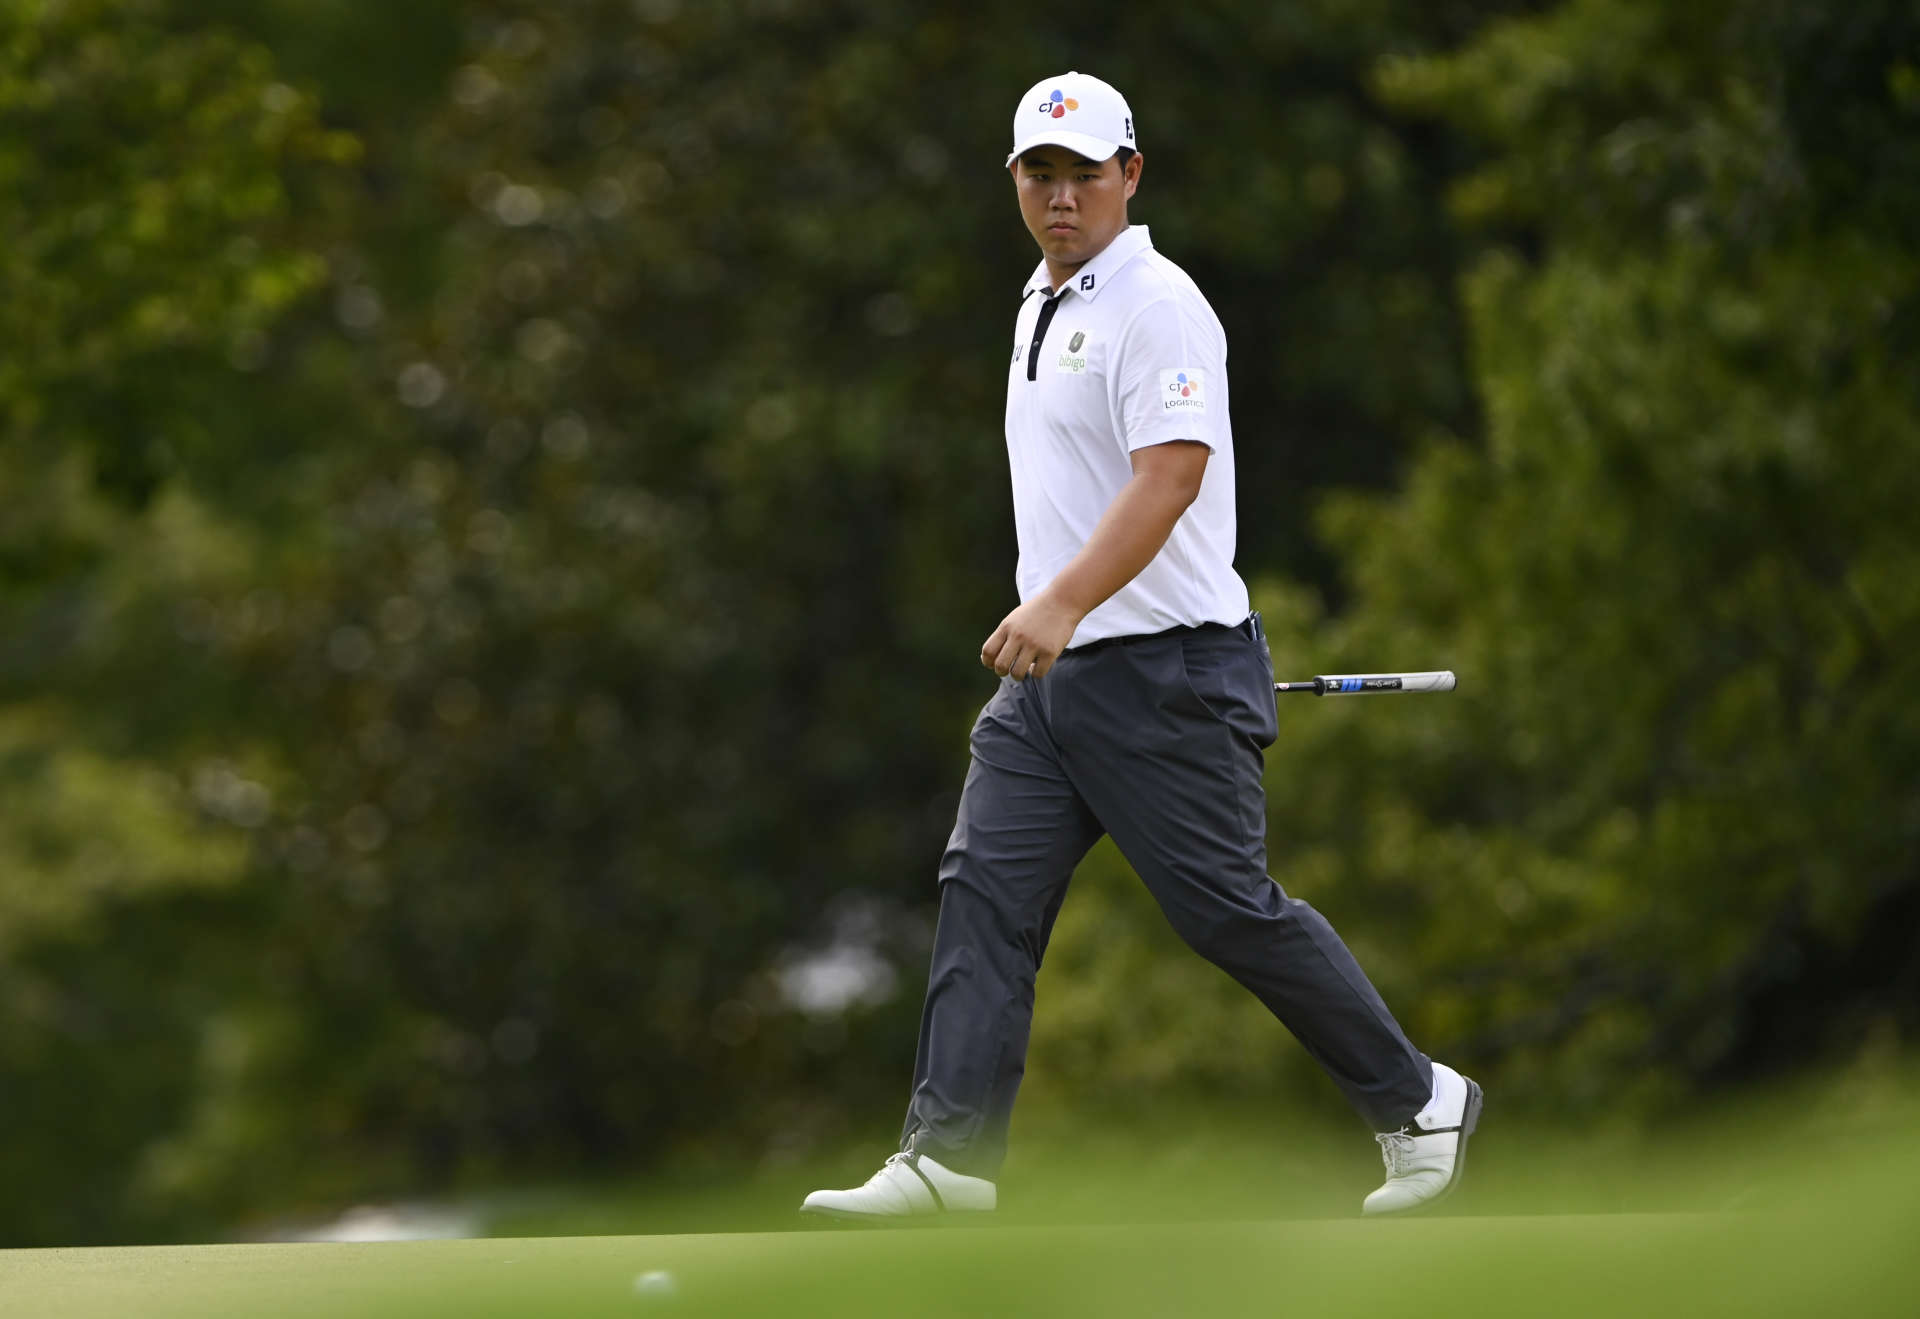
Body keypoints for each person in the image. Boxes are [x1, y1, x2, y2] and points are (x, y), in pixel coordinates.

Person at [801, 72, 1480, 1221]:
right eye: (1039, 174)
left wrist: (1059, 603)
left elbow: (1170, 478)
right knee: (983, 889)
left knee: (1224, 908)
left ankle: (1420, 1099)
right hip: (1055, 688)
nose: (1061, 196)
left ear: (1130, 173)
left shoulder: (1158, 304)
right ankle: (948, 1160)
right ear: (1015, 180)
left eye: (1083, 173)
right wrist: (1059, 623)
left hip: (1164, 672)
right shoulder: (1042, 298)